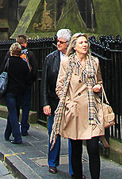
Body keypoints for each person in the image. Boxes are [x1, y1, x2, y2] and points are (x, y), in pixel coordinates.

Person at [51, 32, 107, 179]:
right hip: (75, 111)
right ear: (74, 46)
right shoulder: (67, 63)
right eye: (81, 43)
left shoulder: (94, 61)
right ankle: (76, 176)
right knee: (75, 150)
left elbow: (99, 80)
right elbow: (60, 86)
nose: (84, 45)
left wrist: (98, 87)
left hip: (91, 110)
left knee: (93, 148)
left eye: (86, 43)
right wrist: (69, 103)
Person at [41, 28, 73, 174]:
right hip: (54, 103)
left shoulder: (75, 58)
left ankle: (74, 169)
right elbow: (44, 83)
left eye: (61, 42)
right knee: (54, 133)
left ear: (68, 43)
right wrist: (45, 103)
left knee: (73, 137)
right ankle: (52, 163)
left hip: (71, 104)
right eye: (57, 41)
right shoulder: (50, 58)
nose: (58, 44)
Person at [0, 41, 32, 145]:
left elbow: (1, 72)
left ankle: (17, 137)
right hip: (20, 92)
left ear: (11, 51)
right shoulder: (23, 63)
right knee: (14, 112)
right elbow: (28, 77)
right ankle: (7, 133)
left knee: (13, 113)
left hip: (10, 91)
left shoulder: (8, 61)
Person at [17, 34, 38, 136]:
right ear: (25, 43)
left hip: (15, 86)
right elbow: (34, 69)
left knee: (15, 107)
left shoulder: (12, 53)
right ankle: (24, 128)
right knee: (25, 107)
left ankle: (14, 127)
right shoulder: (30, 54)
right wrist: (30, 80)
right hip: (26, 85)